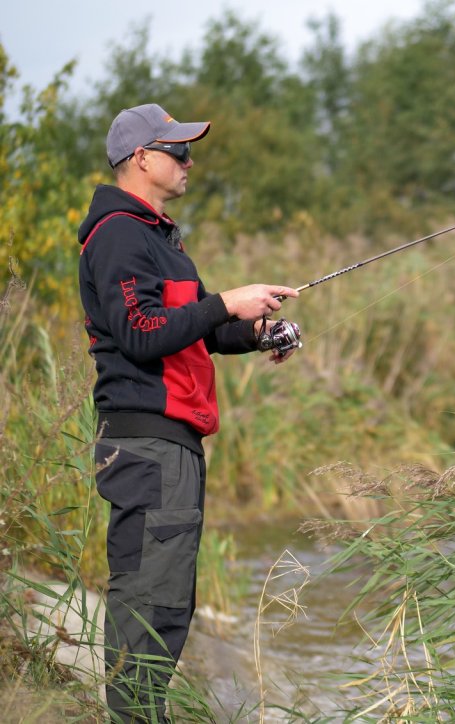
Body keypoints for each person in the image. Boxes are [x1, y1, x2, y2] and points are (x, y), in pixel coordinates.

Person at [77, 103, 299, 722]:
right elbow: (143, 332)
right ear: (142, 159)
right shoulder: (120, 234)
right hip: (147, 445)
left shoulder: (158, 239)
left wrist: (257, 331)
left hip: (171, 448)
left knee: (170, 607)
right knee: (148, 606)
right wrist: (227, 301)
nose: (189, 162)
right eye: (178, 151)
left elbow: (196, 329)